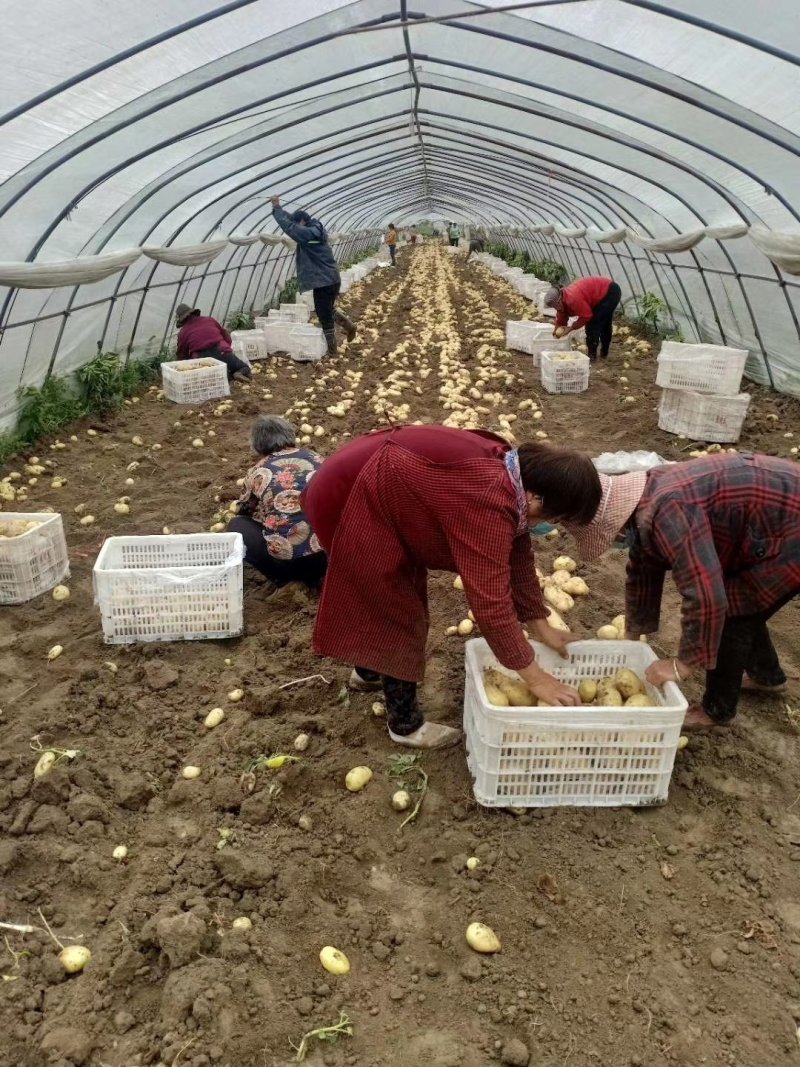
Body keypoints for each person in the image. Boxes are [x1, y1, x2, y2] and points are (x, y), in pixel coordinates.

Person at [303, 425, 602, 749]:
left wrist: (541, 626)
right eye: (556, 517)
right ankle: (405, 725)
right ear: (536, 498)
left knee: (384, 593)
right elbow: (490, 603)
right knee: (394, 603)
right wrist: (536, 678)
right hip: (348, 496)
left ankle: (369, 673)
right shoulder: (489, 494)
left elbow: (517, 555)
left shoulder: (514, 476)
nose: (552, 525)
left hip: (376, 484)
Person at [565, 452, 800, 730]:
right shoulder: (642, 507)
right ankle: (766, 676)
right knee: (745, 604)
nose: (614, 543)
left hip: (789, 530)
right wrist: (632, 635)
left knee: (734, 612)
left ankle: (717, 710)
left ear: (614, 527)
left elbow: (706, 597)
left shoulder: (669, 512)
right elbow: (642, 569)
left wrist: (682, 664)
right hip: (763, 524)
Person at [228, 415, 327, 588]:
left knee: (237, 525)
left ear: (257, 445)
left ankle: (284, 580)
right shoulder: (317, 459)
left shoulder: (257, 471)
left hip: (288, 567)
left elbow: (244, 510)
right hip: (329, 557)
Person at [270, 196, 357, 356]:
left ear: (302, 221)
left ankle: (332, 351)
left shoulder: (310, 233)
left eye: (298, 223)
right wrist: (281, 210)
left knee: (323, 314)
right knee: (326, 309)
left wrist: (276, 208)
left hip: (324, 280)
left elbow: (292, 228)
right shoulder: (315, 229)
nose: (297, 226)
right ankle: (349, 326)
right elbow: (292, 222)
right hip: (330, 279)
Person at [544, 276, 621, 362]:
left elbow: (586, 316)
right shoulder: (561, 302)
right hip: (599, 293)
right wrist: (556, 331)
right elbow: (561, 319)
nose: (554, 308)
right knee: (604, 322)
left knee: (594, 324)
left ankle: (593, 355)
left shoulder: (573, 299)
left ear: (559, 301)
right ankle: (603, 353)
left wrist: (571, 328)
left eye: (554, 306)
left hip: (609, 292)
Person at [174, 305, 252, 381]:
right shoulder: (209, 320)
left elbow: (182, 355)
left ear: (182, 320)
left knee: (206, 377)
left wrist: (188, 367)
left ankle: (222, 375)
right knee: (244, 367)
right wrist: (227, 348)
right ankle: (237, 372)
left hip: (202, 360)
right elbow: (225, 335)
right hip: (222, 351)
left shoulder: (183, 332)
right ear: (194, 313)